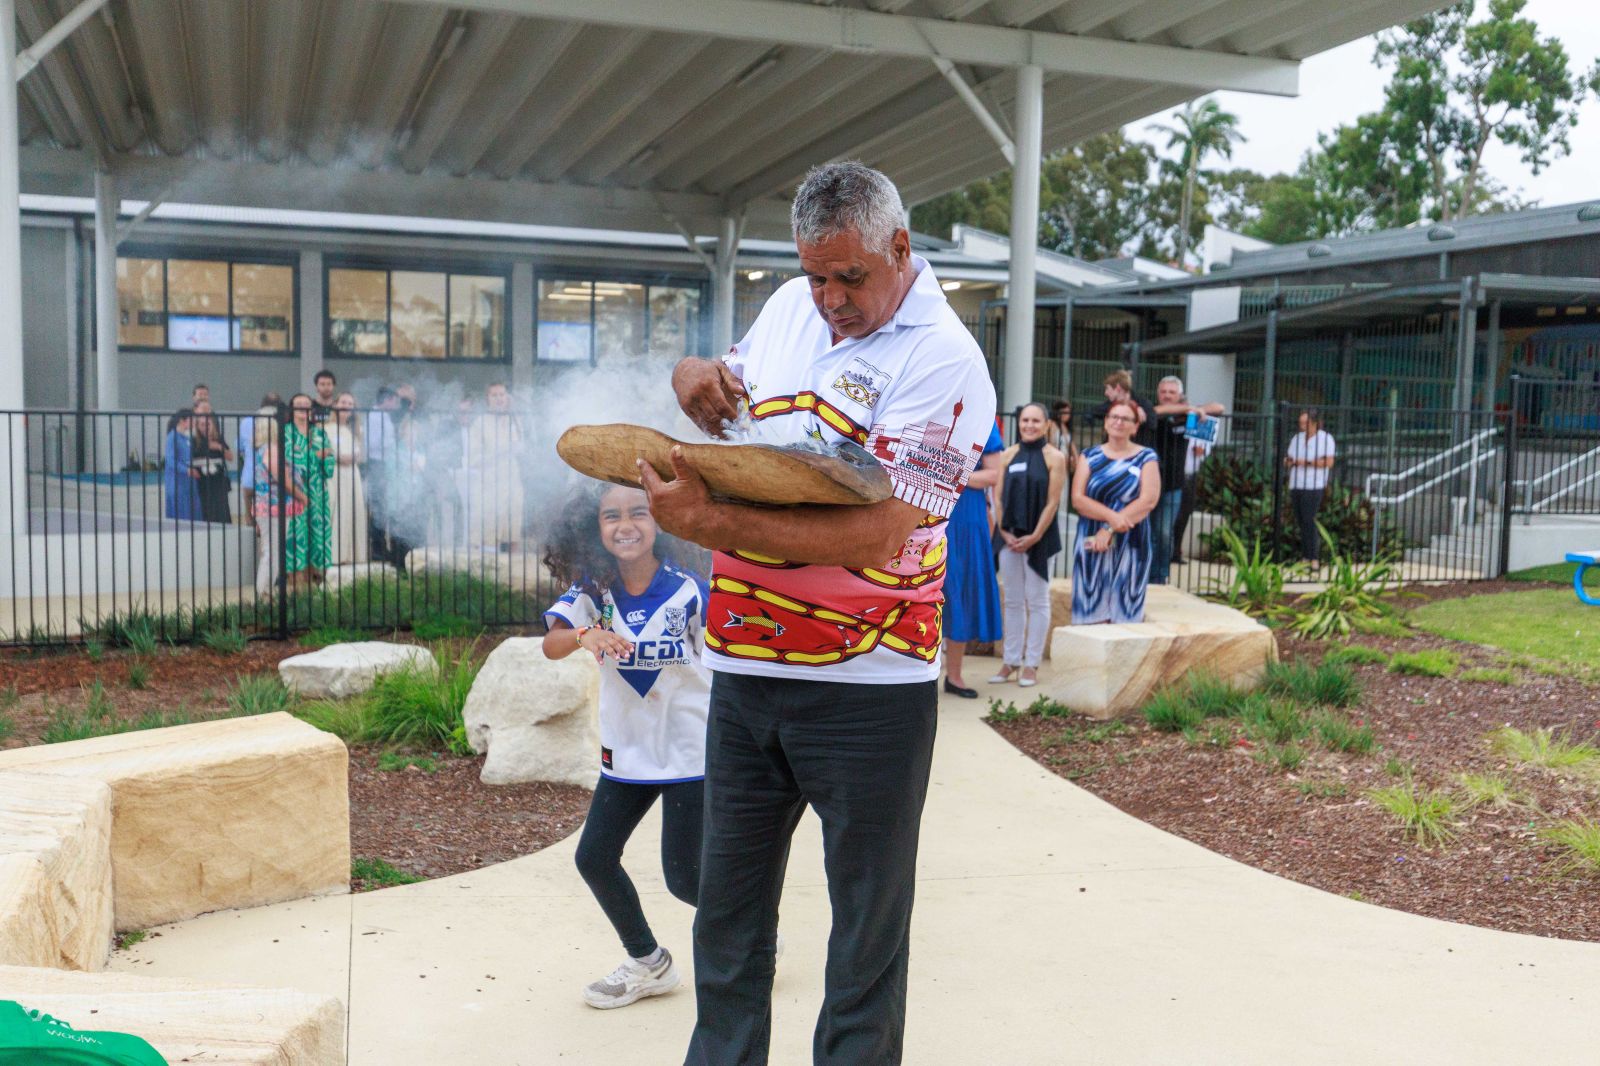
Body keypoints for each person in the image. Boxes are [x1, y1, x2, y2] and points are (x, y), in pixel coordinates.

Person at [643, 161, 995, 1066]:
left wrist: (704, 523)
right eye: (814, 275)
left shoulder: (946, 359)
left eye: (851, 277)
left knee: (864, 945)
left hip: (871, 692)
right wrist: (692, 375)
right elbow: (731, 403)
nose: (830, 299)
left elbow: (880, 535)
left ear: (901, 249)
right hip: (746, 674)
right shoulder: (791, 310)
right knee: (726, 924)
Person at [542, 482, 712, 1010]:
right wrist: (583, 635)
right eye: (610, 516)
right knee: (594, 857)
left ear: (661, 519)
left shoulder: (691, 589)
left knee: (685, 880)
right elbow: (551, 643)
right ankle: (648, 963)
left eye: (639, 511)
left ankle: (752, 934)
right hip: (627, 753)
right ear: (593, 530)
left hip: (690, 753)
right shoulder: (593, 591)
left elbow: (729, 661)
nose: (625, 524)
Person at [989, 402, 1066, 688]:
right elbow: (997, 498)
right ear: (1018, 423)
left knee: (1037, 599)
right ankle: (1010, 661)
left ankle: (1031, 663)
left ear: (1046, 424)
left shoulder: (1054, 457)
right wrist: (1005, 533)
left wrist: (1034, 536)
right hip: (1009, 537)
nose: (1029, 425)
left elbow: (1053, 501)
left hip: (1039, 538)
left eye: (1035, 420)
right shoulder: (1008, 455)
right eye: (1025, 421)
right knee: (1012, 599)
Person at [1071, 399, 1160, 625]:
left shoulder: (1146, 457)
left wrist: (1109, 529)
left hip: (1132, 543)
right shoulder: (1089, 456)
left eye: (1125, 419)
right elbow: (1078, 499)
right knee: (1090, 615)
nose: (1118, 422)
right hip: (1093, 541)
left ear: (1135, 426)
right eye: (1114, 417)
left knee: (1125, 617)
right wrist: (1111, 519)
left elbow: (1148, 500)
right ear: (1106, 422)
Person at [940, 420, 1004, 698]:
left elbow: (993, 475)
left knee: (960, 589)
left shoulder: (984, 422)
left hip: (966, 516)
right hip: (928, 507)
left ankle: (954, 676)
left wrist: (953, 475)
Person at [1150, 376, 1224, 584]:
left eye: (1171, 392)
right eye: (1163, 392)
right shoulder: (1152, 414)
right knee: (1149, 534)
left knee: (1164, 533)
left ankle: (1159, 576)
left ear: (1179, 395)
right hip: (1149, 484)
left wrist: (1196, 409)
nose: (1166, 396)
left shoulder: (1187, 417)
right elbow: (1155, 411)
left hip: (1174, 485)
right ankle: (1145, 576)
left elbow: (1219, 407)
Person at [251, 406, 307, 596]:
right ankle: (263, 593)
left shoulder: (261, 449)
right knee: (272, 552)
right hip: (274, 506)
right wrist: (302, 497)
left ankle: (265, 591)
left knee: (272, 551)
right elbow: (281, 477)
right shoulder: (271, 449)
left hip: (266, 506)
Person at [465, 382, 524, 551]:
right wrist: (501, 451)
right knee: (489, 534)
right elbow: (473, 459)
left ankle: (512, 572)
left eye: (502, 394)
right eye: (494, 395)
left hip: (513, 481)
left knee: (513, 531)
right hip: (490, 484)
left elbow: (522, 448)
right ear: (488, 399)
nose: (499, 399)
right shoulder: (479, 423)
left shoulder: (515, 419)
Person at [284, 394, 334, 585]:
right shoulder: (285, 432)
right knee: (296, 532)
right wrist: (316, 456)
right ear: (292, 408)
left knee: (318, 532)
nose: (303, 408)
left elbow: (330, 463)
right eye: (299, 404)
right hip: (294, 491)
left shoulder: (320, 433)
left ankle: (317, 576)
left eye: (306, 405)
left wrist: (319, 457)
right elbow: (290, 462)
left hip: (318, 491)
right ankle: (296, 579)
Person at [1286, 408, 1336, 563]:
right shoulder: (1297, 438)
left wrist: (1305, 462)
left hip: (1314, 485)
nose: (1302, 426)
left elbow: (1328, 462)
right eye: (1301, 423)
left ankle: (1313, 557)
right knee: (1301, 520)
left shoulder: (1326, 439)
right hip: (1296, 483)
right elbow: (1289, 458)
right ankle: (1305, 556)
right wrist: (1290, 462)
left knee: (1309, 519)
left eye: (1305, 423)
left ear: (1315, 423)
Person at [325, 392, 369, 565]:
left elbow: (361, 453)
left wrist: (354, 458)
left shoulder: (355, 430)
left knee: (353, 510)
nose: (346, 405)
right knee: (338, 511)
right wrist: (338, 458)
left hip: (352, 474)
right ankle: (336, 555)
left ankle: (352, 555)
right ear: (335, 404)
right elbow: (324, 451)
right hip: (335, 473)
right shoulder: (325, 428)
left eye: (350, 403)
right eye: (343, 402)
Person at [1171, 418, 1215, 567]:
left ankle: (1176, 550)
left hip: (1190, 475)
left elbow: (1204, 450)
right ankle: (1168, 550)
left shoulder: (1197, 424)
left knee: (1184, 513)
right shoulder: (1174, 426)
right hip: (1173, 474)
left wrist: (1201, 451)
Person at [364, 386, 399, 565]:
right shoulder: (376, 416)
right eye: (394, 400)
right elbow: (373, 443)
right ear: (387, 400)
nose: (396, 405)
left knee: (383, 507)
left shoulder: (382, 416)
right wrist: (390, 443)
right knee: (378, 508)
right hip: (378, 463)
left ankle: (382, 547)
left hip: (383, 464)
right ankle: (377, 549)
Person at [238, 391, 283, 521]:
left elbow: (240, 447)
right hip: (271, 481)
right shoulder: (279, 422)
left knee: (250, 519)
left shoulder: (246, 422)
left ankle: (250, 539)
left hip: (249, 478)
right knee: (272, 521)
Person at [189, 399, 234, 524]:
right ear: (197, 426)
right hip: (202, 482)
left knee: (222, 510)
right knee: (206, 511)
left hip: (218, 481)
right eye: (202, 425)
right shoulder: (194, 440)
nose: (205, 427)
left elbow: (230, 457)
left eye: (208, 424)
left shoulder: (218, 438)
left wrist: (219, 447)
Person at [1089, 370, 1157, 448]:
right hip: (1114, 449)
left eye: (1108, 389)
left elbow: (1152, 424)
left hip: (1137, 449)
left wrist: (1135, 412)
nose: (1106, 393)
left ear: (1118, 388)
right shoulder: (1110, 404)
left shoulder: (1144, 403)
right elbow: (1092, 412)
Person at [162, 409, 200, 521]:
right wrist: (186, 470)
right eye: (191, 420)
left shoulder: (187, 438)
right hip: (178, 482)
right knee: (181, 515)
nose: (194, 422)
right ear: (182, 421)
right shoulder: (172, 437)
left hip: (189, 481)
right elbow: (170, 460)